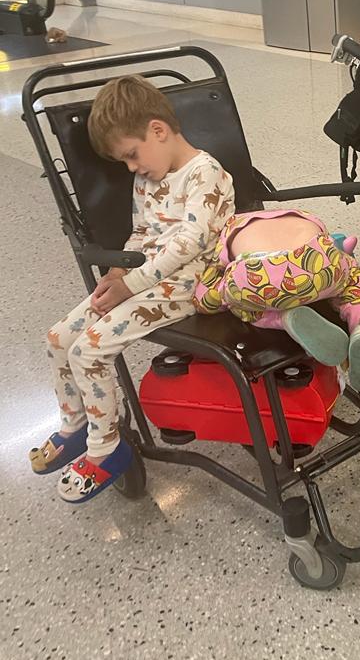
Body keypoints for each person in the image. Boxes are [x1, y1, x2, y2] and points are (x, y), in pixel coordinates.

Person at [29, 76, 235, 503]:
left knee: (89, 350)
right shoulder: (148, 179)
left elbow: (189, 243)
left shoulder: (206, 174)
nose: (131, 168)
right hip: (144, 279)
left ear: (157, 130)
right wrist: (117, 272)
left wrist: (132, 283)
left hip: (191, 282)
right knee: (58, 340)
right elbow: (141, 234)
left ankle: (108, 449)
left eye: (131, 155)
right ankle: (76, 424)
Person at [193, 210, 360, 394]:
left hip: (257, 274)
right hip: (315, 257)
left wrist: (207, 299)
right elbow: (336, 243)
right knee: (351, 278)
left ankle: (284, 318)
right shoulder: (301, 215)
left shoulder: (228, 229)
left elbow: (207, 292)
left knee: (239, 304)